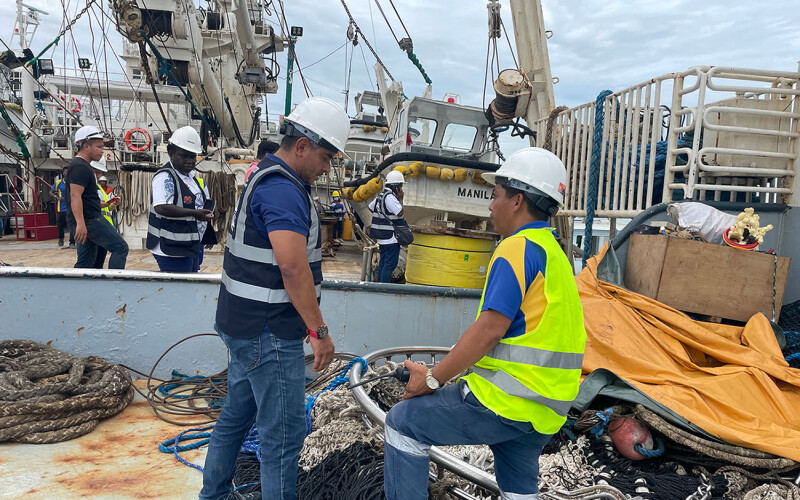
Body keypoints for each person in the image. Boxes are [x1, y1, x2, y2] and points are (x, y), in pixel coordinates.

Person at [383, 147, 587, 500]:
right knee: (519, 489)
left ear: (517, 201)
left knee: (403, 424)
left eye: (496, 196)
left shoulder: (515, 248)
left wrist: (432, 379)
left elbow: (490, 329)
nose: (490, 206)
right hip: (545, 410)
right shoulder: (555, 253)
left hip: (505, 403)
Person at [200, 96, 350, 500]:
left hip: (243, 324)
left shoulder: (264, 175)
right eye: (324, 156)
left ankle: (212, 494)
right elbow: (292, 268)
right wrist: (318, 331)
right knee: (283, 437)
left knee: (236, 414)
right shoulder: (284, 191)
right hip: (267, 333)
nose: (326, 167)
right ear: (301, 146)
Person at [146, 126, 216, 273]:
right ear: (171, 153)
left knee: (190, 287)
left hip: (188, 245)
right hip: (171, 247)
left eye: (192, 156)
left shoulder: (193, 179)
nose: (189, 161)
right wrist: (195, 213)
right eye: (184, 156)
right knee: (179, 290)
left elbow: (200, 207)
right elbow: (162, 207)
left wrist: (207, 233)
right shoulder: (165, 177)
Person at [68, 125, 129, 269]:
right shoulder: (80, 167)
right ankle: (115, 285)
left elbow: (85, 199)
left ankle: (83, 288)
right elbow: (75, 196)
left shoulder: (83, 166)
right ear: (85, 146)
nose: (102, 151)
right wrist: (80, 224)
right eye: (99, 146)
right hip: (89, 220)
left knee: (88, 262)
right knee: (120, 248)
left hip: (88, 218)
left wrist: (104, 204)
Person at [368, 170, 407, 282]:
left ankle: (380, 286)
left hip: (382, 237)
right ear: (396, 187)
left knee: (383, 264)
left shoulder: (381, 196)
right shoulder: (390, 197)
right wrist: (401, 199)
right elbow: (400, 212)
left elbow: (371, 208)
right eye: (401, 186)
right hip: (391, 238)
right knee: (389, 265)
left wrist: (383, 217)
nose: (401, 188)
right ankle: (384, 287)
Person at [90, 157, 121, 269]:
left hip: (104, 225)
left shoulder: (99, 188)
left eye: (100, 172)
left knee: (99, 261)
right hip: (95, 227)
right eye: (96, 172)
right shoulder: (89, 188)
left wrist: (114, 204)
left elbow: (106, 208)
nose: (98, 175)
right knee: (120, 248)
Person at [51, 165, 75, 248]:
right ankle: (61, 238)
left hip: (72, 206)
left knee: (72, 224)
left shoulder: (73, 182)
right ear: (63, 173)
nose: (67, 173)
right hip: (61, 207)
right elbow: (51, 192)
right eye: (66, 171)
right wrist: (57, 197)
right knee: (60, 225)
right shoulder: (58, 183)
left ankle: (72, 242)